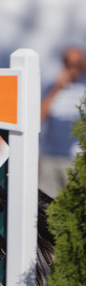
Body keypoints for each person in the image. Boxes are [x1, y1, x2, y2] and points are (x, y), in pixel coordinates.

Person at [40, 45, 86, 196]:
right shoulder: (52, 87)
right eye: (68, 63)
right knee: (47, 203)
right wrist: (57, 88)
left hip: (76, 158)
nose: (72, 68)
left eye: (77, 64)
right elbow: (39, 116)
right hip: (50, 156)